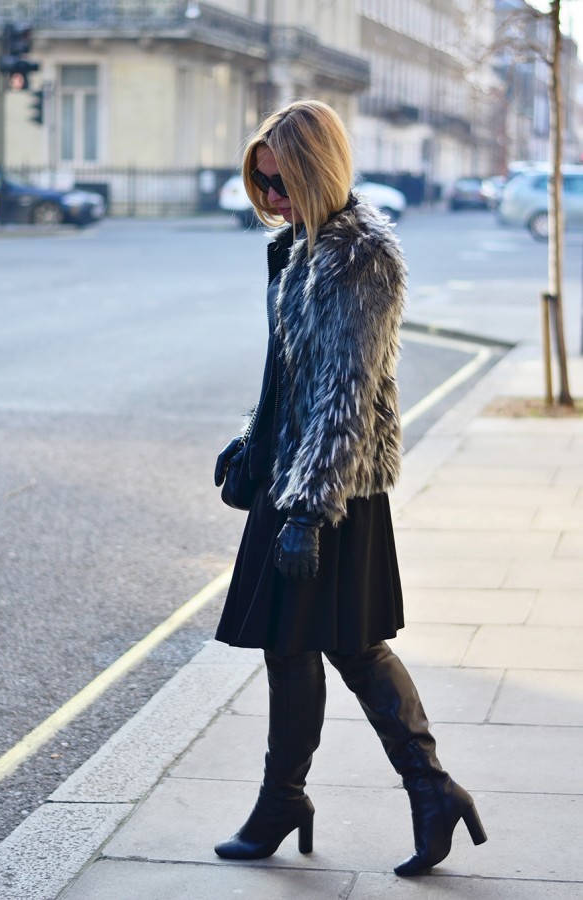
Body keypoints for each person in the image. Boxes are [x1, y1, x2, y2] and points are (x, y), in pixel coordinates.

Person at [213, 99, 487, 877]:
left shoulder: (359, 255)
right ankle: (285, 800)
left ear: (315, 172)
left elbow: (346, 392)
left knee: (353, 648)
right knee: (287, 644)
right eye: (262, 185)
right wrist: (253, 439)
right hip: (289, 471)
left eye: (281, 183)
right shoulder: (298, 248)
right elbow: (288, 374)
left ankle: (431, 790)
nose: (271, 199)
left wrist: (307, 510)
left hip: (330, 485)